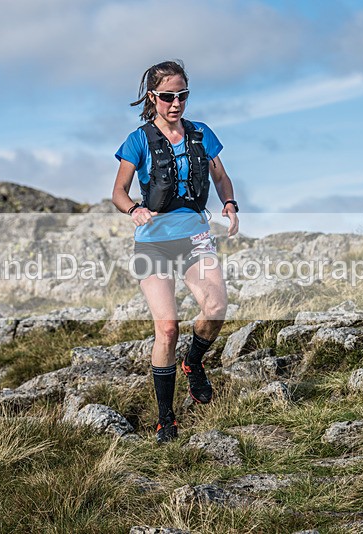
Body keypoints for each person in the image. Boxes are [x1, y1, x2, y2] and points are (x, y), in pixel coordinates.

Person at [112, 60, 239, 444]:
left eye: (182, 95)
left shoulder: (201, 134)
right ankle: (166, 419)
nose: (176, 103)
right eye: (168, 96)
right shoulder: (138, 140)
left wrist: (230, 203)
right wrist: (134, 209)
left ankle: (193, 362)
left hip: (194, 236)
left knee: (215, 308)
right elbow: (118, 192)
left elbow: (219, 176)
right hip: (153, 242)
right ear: (153, 97)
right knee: (167, 328)